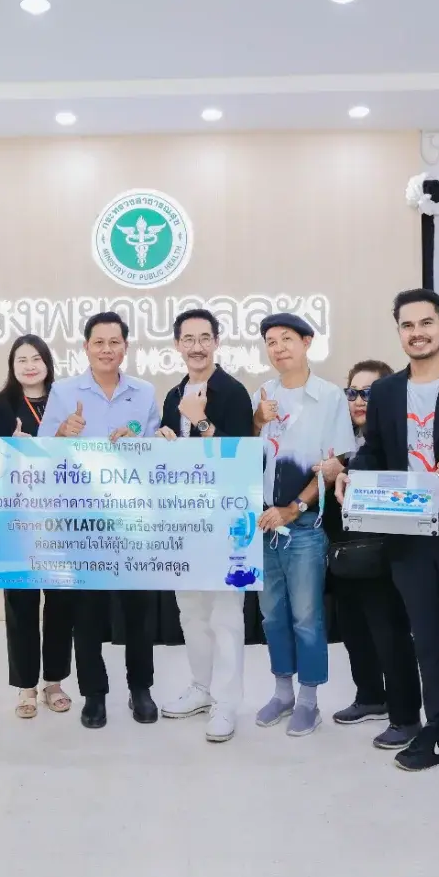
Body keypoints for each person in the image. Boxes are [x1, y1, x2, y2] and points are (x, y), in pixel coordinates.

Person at [338, 289, 439, 793]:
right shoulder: (387, 392)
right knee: (427, 642)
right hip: (408, 536)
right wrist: (350, 473)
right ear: (399, 332)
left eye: (426, 323)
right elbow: (376, 452)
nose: (418, 333)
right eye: (408, 325)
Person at [38, 311, 162, 729]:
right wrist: (62, 433)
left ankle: (140, 689)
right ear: (86, 347)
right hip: (82, 519)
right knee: (87, 613)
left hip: (133, 517)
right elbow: (42, 452)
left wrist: (146, 442)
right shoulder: (64, 391)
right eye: (99, 342)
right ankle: (94, 694)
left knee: (138, 610)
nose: (107, 349)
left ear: (125, 347)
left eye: (114, 342)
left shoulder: (144, 392)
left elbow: (158, 454)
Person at [251, 312, 355, 738]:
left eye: (287, 339)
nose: (278, 348)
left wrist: (294, 508)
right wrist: (257, 420)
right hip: (262, 524)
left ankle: (309, 700)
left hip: (304, 524)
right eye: (271, 342)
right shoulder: (262, 395)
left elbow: (333, 465)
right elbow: (246, 453)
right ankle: (282, 692)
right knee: (271, 616)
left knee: (307, 617)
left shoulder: (328, 397)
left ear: (307, 342)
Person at [155, 310, 255, 742]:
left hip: (227, 520)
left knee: (226, 614)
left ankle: (226, 703)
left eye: (204, 338)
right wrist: (163, 442)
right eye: (188, 339)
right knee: (191, 611)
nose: (196, 347)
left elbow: (242, 457)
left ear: (216, 342)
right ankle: (201, 686)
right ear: (177, 344)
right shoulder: (173, 394)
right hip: (184, 519)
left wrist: (200, 421)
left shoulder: (232, 392)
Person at [323, 360, 422, 750]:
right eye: (353, 392)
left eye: (370, 392)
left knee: (390, 632)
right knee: (352, 627)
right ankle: (370, 697)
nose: (360, 400)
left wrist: (346, 467)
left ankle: (406, 717)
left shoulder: (399, 435)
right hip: (345, 549)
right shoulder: (337, 436)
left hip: (388, 549)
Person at [0, 334, 76, 719]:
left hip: (63, 517)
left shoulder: (66, 400)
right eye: (21, 359)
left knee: (60, 603)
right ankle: (25, 686)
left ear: (47, 363)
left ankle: (54, 681)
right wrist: (10, 448)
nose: (30, 365)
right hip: (17, 519)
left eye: (36, 358)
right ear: (12, 366)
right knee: (20, 604)